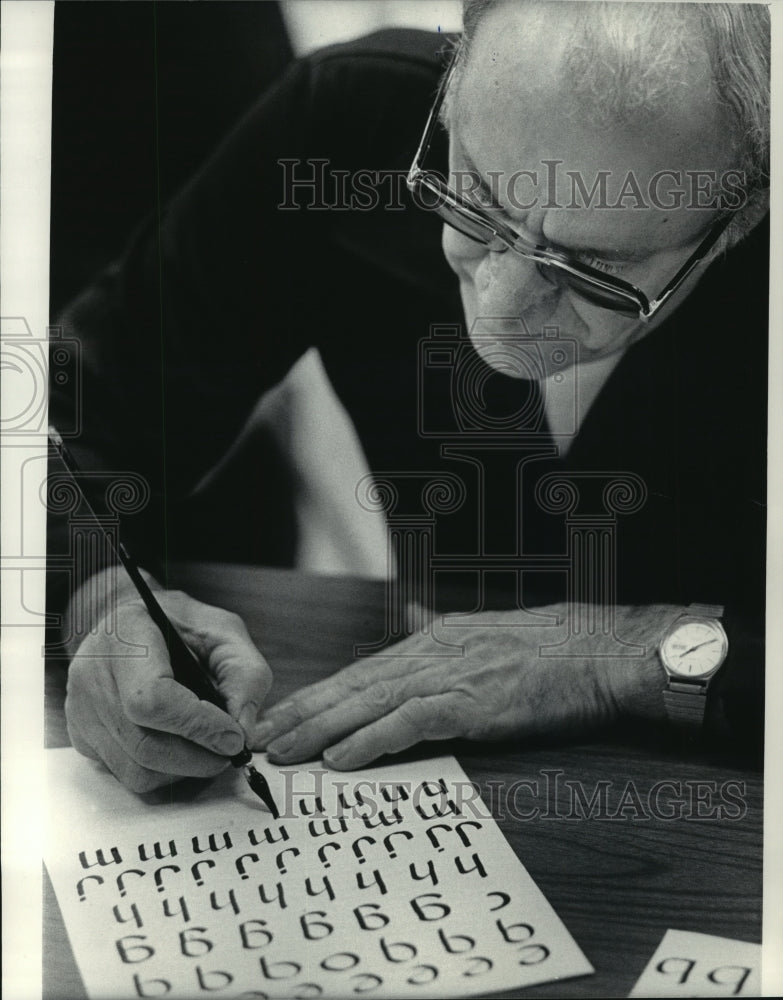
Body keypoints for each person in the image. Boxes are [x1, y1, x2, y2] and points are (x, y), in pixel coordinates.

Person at [49, 0, 769, 793]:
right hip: (412, 786)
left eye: (590, 271)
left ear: (746, 215)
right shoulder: (354, 119)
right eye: (473, 200)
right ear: (454, 84)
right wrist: (103, 598)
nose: (498, 312)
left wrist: (623, 654)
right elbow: (66, 418)